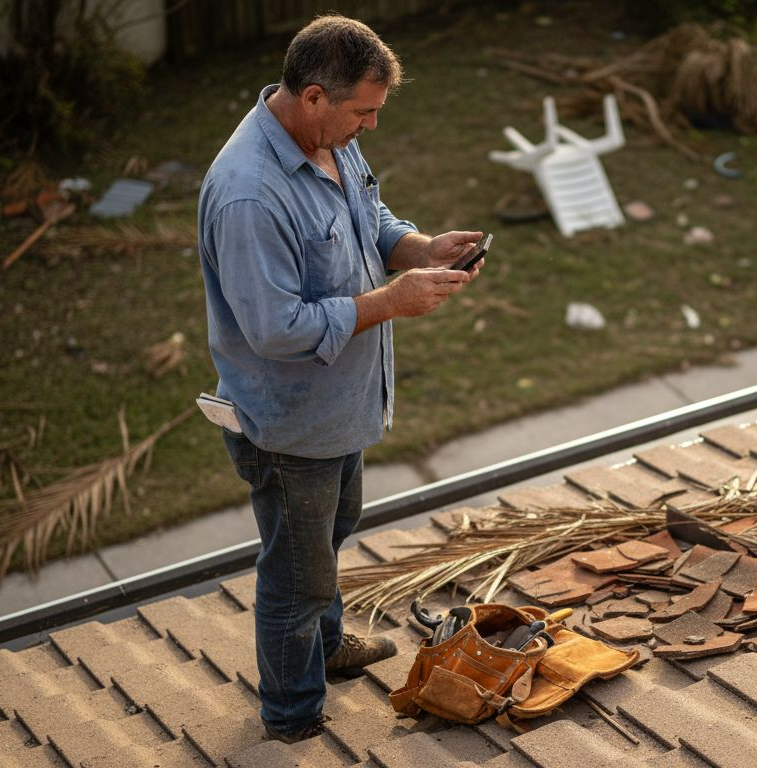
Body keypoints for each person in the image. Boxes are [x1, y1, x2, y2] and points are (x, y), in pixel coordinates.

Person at [197, 14, 483, 744]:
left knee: (328, 542)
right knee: (297, 577)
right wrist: (390, 302)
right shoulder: (250, 194)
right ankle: (291, 715)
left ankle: (325, 651)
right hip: (291, 422)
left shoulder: (328, 142)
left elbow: (366, 216)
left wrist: (416, 247)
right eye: (364, 112)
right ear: (315, 96)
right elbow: (274, 328)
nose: (373, 127)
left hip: (341, 408)